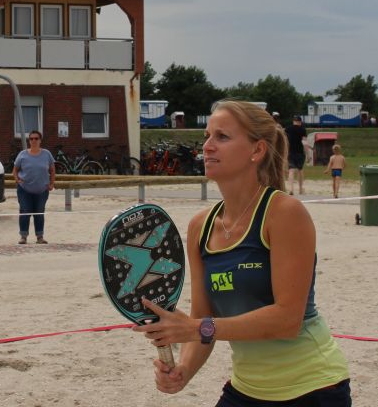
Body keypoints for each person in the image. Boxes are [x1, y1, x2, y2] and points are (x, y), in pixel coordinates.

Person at [134, 100, 351, 405]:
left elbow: (287, 320)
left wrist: (194, 328)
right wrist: (182, 370)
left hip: (312, 388)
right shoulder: (201, 226)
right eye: (208, 136)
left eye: (222, 137)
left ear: (257, 150)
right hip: (247, 389)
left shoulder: (284, 213)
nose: (207, 146)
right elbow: (203, 318)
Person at [11, 130, 54, 245]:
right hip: (24, 189)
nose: (34, 141)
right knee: (25, 211)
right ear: (29, 140)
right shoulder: (22, 154)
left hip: (42, 190)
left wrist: (51, 183)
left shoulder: (46, 154)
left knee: (39, 212)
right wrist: (17, 179)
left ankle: (40, 236)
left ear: (40, 140)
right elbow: (15, 170)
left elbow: (52, 169)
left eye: (36, 138)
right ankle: (23, 236)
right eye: (31, 139)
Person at [284, 115, 307, 195]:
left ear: (293, 121)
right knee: (300, 170)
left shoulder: (287, 129)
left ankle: (291, 189)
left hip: (290, 152)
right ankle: (300, 189)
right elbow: (304, 142)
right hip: (300, 152)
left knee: (291, 170)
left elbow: (285, 141)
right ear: (300, 122)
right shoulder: (302, 130)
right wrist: (307, 153)